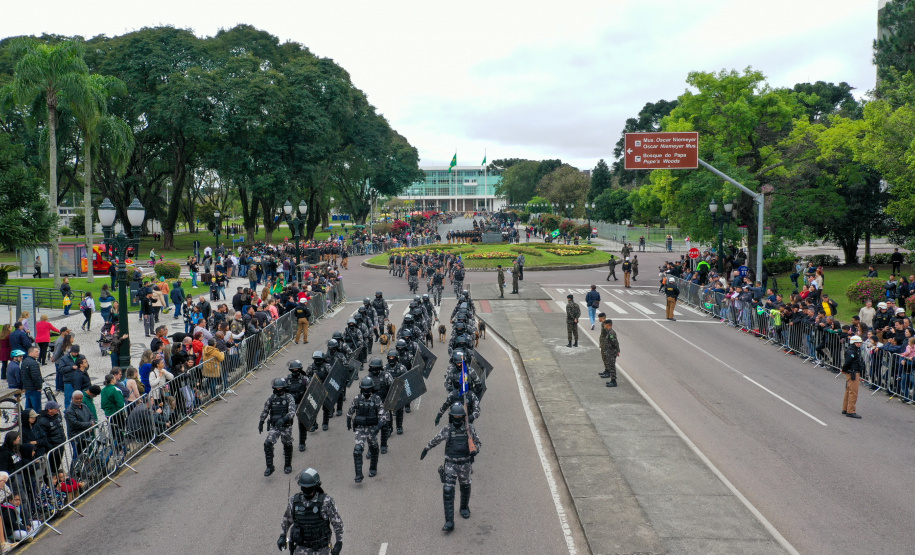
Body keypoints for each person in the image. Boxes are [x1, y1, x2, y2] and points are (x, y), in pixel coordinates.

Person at [421, 403, 482, 532]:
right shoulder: (447, 429)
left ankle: (464, 507)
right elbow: (436, 439)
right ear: (451, 417)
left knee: (465, 486)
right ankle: (449, 521)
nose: (457, 418)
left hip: (465, 464)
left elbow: (478, 443)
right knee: (448, 490)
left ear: (463, 417)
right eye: (455, 416)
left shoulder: (469, 428)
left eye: (460, 416)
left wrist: (475, 450)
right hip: (450, 464)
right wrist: (427, 448)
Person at [277, 468, 344, 555]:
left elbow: (338, 524)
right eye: (304, 487)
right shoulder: (294, 501)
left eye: (309, 487)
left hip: (322, 549)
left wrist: (339, 542)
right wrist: (283, 535)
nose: (306, 489)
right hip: (301, 549)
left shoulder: (326, 502)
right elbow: (287, 520)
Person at [346, 377, 385, 483]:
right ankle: (358, 475)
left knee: (374, 449)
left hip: (372, 429)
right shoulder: (357, 398)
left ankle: (373, 468)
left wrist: (378, 426)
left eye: (368, 389)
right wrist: (348, 419)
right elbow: (351, 410)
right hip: (361, 429)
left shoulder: (376, 399)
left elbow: (382, 415)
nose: (366, 391)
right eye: (364, 389)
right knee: (357, 450)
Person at [259, 378, 296, 476]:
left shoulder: (289, 397)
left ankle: (287, 465)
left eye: (280, 388)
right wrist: (261, 421)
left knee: (287, 444)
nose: (279, 390)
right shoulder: (271, 398)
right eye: (277, 388)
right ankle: (269, 467)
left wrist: (284, 419)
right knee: (267, 444)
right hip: (275, 426)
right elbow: (266, 410)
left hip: (286, 426)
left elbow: (292, 412)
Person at [36, 401, 65, 475]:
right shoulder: (42, 421)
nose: (58, 409)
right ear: (50, 410)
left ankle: (55, 479)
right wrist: (50, 448)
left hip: (60, 444)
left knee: (57, 464)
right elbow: (44, 437)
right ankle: (50, 482)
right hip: (53, 448)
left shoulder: (57, 416)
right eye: (56, 408)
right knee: (51, 467)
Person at [65, 391, 96, 457]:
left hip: (86, 435)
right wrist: (89, 425)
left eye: (80, 398)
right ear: (72, 398)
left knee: (86, 455)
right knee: (77, 457)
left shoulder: (84, 406)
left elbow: (91, 416)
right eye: (77, 399)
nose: (79, 400)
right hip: (77, 437)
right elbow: (75, 423)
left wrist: (92, 422)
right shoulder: (70, 410)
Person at [841, 335, 864, 419]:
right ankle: (851, 411)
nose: (860, 344)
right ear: (854, 343)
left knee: (848, 391)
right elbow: (847, 362)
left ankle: (845, 408)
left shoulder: (854, 350)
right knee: (853, 392)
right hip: (853, 372)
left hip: (851, 372)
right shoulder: (852, 351)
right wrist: (844, 369)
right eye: (858, 342)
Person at [21, 346, 43, 413]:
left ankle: (26, 422)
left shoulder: (24, 361)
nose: (38, 353)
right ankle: (37, 422)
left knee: (28, 408)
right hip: (34, 389)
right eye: (36, 351)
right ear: (30, 352)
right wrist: (39, 387)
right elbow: (36, 377)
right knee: (37, 408)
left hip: (28, 388)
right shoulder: (34, 363)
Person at [600, 319, 621, 387]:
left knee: (612, 366)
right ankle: (612, 380)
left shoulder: (611, 333)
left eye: (605, 324)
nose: (604, 325)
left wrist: (617, 351)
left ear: (608, 325)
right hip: (609, 352)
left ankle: (614, 381)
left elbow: (614, 343)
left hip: (611, 352)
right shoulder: (609, 332)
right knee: (611, 365)